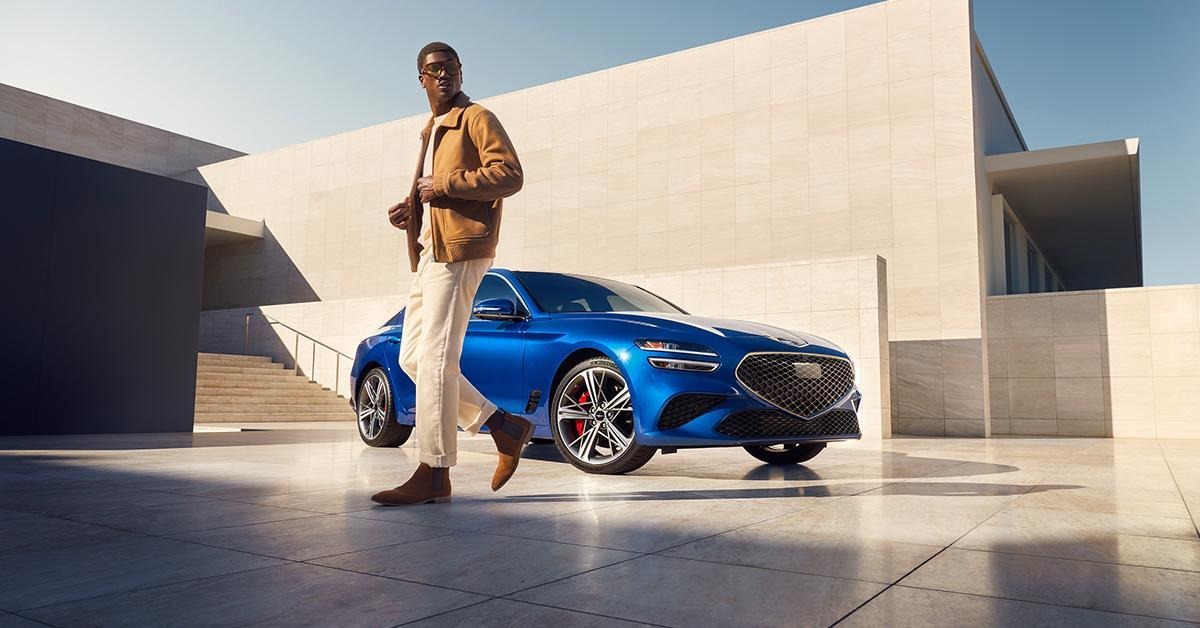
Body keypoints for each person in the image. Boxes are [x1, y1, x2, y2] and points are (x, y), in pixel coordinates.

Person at [373, 42, 532, 506]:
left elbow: (510, 174)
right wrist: (413, 212)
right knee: (413, 358)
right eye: (435, 69)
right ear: (421, 79)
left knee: (437, 359)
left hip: (461, 250)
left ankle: (434, 471)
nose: (444, 74)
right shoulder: (431, 130)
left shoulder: (475, 117)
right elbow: (432, 194)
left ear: (461, 73)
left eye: (452, 67)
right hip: (430, 251)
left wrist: (442, 185)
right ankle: (504, 426)